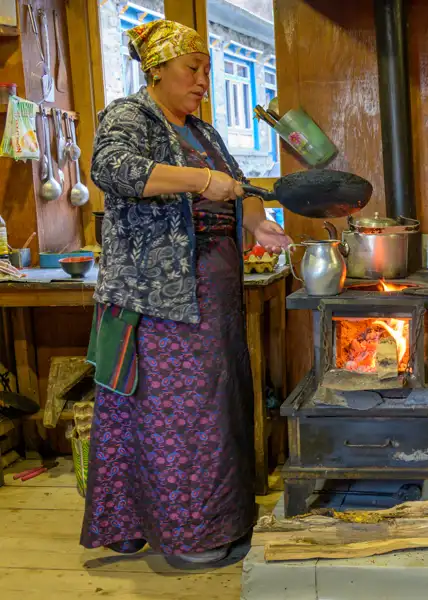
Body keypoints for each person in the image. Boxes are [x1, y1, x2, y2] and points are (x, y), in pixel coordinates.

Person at [80, 20, 292, 564]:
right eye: (191, 69)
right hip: (163, 302)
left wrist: (259, 223)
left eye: (205, 70)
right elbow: (112, 169)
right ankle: (190, 540)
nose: (203, 80)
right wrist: (200, 182)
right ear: (157, 71)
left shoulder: (203, 131)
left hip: (216, 294)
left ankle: (225, 523)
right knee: (181, 419)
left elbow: (238, 185)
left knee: (221, 409)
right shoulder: (131, 116)